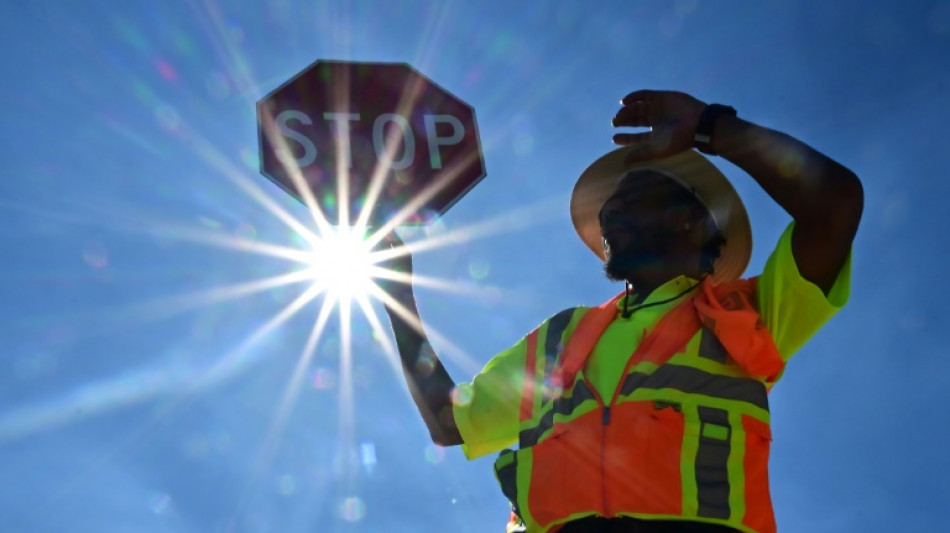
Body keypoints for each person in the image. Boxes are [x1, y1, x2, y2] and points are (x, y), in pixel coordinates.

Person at [377, 90, 863, 533]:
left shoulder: (748, 313)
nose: (609, 214)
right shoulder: (562, 336)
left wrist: (709, 127)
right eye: (610, 207)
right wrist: (397, 296)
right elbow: (450, 422)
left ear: (692, 220)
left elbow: (835, 205)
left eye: (631, 198)